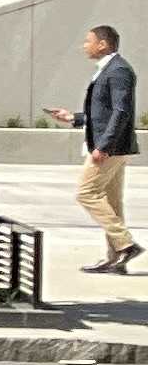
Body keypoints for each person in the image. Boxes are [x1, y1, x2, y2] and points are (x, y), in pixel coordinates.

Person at [50, 22, 139, 274]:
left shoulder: (118, 70)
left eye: (88, 41)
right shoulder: (108, 70)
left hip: (109, 148)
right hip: (111, 146)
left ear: (103, 44)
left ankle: (126, 244)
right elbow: (104, 112)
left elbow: (121, 112)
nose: (84, 46)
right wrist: (74, 118)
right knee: (112, 203)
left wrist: (103, 146)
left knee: (86, 193)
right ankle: (115, 258)